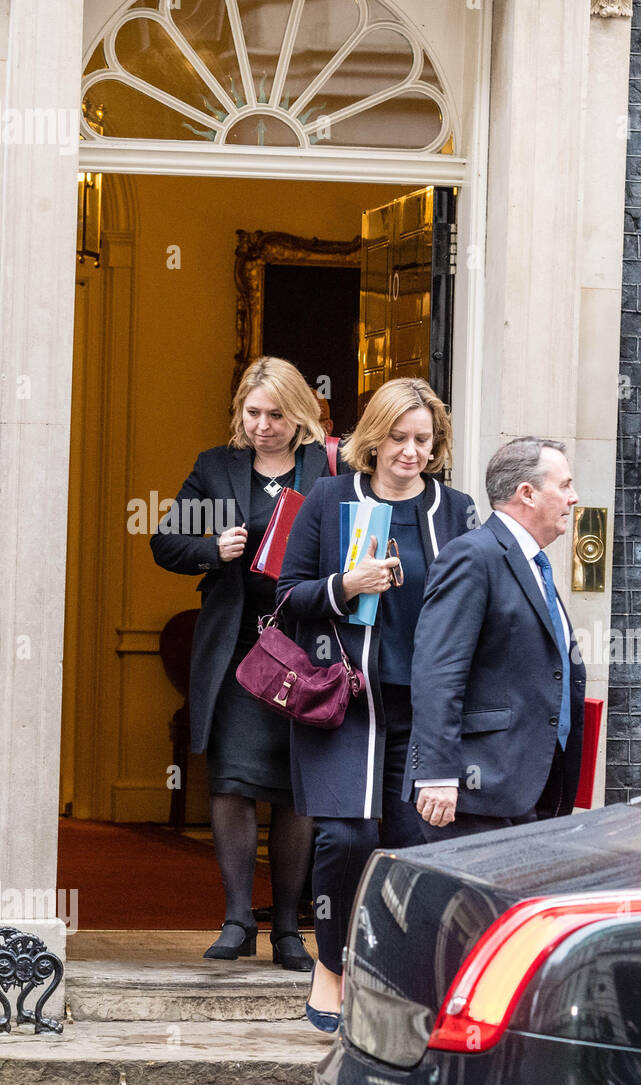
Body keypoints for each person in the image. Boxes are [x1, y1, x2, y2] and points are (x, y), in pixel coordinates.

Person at [276, 378, 476, 1031]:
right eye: (398, 437)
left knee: (418, 839)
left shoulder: (456, 511)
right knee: (346, 836)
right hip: (344, 702)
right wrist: (345, 585)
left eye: (422, 440)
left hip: (422, 707)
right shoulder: (331, 498)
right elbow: (285, 597)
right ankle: (331, 966)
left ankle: (399, 974)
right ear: (375, 435)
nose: (410, 452)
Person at [151, 356, 326, 969]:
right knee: (231, 783)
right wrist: (211, 548)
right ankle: (234, 920)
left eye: (276, 415)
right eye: (253, 414)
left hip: (306, 648)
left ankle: (285, 929)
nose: (263, 426)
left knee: (296, 790)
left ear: (299, 412)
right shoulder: (216, 468)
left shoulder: (325, 465)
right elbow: (165, 542)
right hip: (236, 649)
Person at [406, 436, 586, 840]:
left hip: (531, 784)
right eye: (564, 485)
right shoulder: (473, 556)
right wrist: (436, 774)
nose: (573, 498)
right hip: (477, 792)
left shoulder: (533, 562)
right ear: (528, 494)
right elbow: (438, 670)